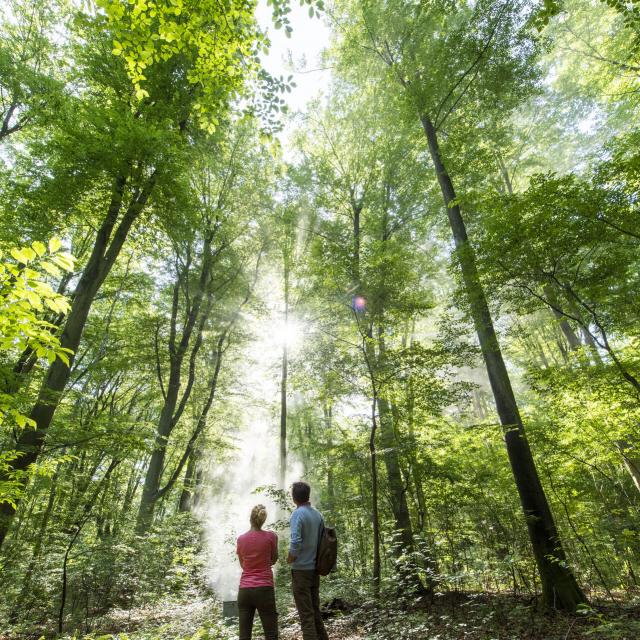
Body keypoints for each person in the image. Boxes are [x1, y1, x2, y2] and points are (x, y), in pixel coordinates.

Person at [287, 481, 329, 640]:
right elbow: (323, 543)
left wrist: (290, 557)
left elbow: (296, 541)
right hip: (314, 569)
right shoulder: (317, 514)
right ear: (307, 495)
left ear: (294, 497)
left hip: (301, 571)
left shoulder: (297, 514)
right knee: (314, 611)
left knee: (306, 615)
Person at [236, 504, 279, 640]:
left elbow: (243, 564)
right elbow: (274, 559)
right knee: (271, 634)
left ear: (250, 519)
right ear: (263, 520)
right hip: (264, 589)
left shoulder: (241, 539)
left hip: (245, 591)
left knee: (244, 635)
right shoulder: (271, 537)